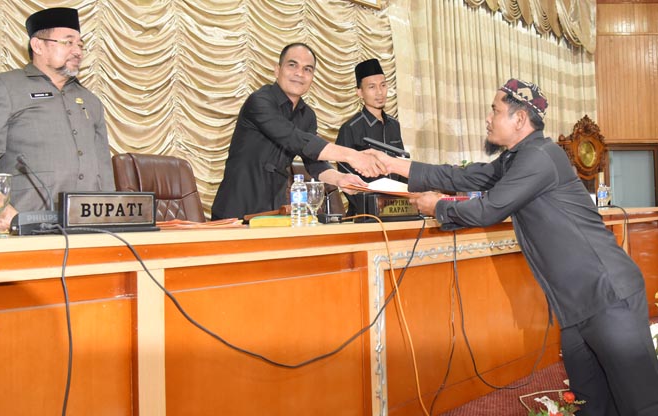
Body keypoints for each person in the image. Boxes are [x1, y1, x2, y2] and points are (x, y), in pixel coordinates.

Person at [367, 79, 658, 415]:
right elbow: (462, 177)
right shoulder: (516, 160)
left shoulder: (540, 157)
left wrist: (438, 207)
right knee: (590, 404)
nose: (488, 118)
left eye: (495, 111)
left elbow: (489, 209)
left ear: (520, 119)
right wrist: (392, 164)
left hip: (609, 298)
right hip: (576, 308)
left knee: (641, 403)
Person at [0, 7, 114, 231]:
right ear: (38, 45)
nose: (77, 51)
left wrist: (112, 218)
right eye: (68, 42)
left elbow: (104, 169)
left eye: (80, 45)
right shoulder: (6, 87)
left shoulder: (90, 100)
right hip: (24, 224)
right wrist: (0, 207)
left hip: (88, 227)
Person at [211, 43, 384, 220]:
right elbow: (295, 139)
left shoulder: (307, 115)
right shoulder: (260, 101)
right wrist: (351, 155)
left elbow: (314, 163)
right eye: (292, 65)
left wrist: (340, 178)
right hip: (235, 212)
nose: (300, 74)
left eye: (307, 69)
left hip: (274, 213)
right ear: (277, 70)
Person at [336, 58, 407, 216]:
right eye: (372, 87)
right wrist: (370, 208)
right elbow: (346, 176)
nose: (380, 92)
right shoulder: (350, 128)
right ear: (360, 92)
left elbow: (402, 165)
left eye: (383, 85)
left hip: (397, 209)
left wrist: (407, 201)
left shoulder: (394, 125)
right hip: (365, 213)